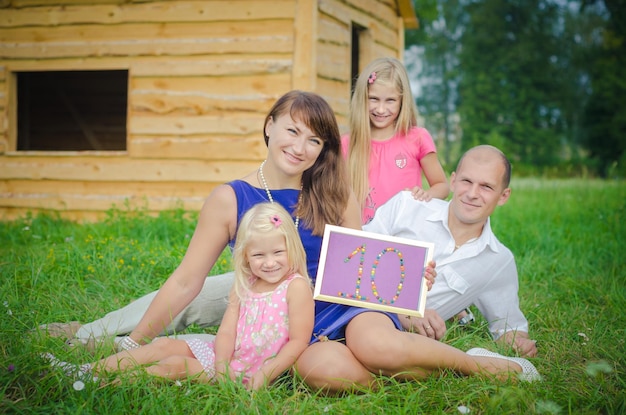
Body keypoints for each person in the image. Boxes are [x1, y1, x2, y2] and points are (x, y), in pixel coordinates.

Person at [40, 89, 363, 350]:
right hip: (257, 291)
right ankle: (92, 335)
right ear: (269, 126)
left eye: (314, 140)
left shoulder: (335, 194)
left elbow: (360, 267)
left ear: (323, 149)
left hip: (314, 307)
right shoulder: (230, 198)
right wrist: (136, 345)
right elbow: (184, 282)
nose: (299, 147)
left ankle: (113, 340)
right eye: (292, 131)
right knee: (195, 297)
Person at [295, 145, 540, 393]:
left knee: (357, 353)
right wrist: (404, 310)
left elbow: (507, 325)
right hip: (361, 311)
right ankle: (471, 367)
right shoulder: (407, 207)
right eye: (467, 181)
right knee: (326, 367)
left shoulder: (498, 261)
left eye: (486, 187)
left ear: (504, 196)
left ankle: (443, 367)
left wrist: (517, 342)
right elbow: (356, 258)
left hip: (394, 337)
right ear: (453, 181)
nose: (473, 193)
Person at [44, 203, 315, 390]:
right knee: (162, 346)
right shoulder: (246, 285)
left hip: (249, 373)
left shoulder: (295, 287)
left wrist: (265, 374)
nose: (269, 263)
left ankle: (98, 384)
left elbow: (298, 341)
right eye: (259, 255)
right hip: (225, 361)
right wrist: (219, 363)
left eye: (278, 253)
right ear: (245, 256)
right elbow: (226, 332)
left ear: (292, 248)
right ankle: (85, 370)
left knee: (175, 365)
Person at [343, 57, 449, 224]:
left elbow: (442, 186)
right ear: (362, 98)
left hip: (404, 233)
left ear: (402, 101)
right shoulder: (346, 144)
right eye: (374, 99)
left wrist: (426, 195)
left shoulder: (417, 138)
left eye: (390, 100)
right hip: (361, 235)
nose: (381, 109)